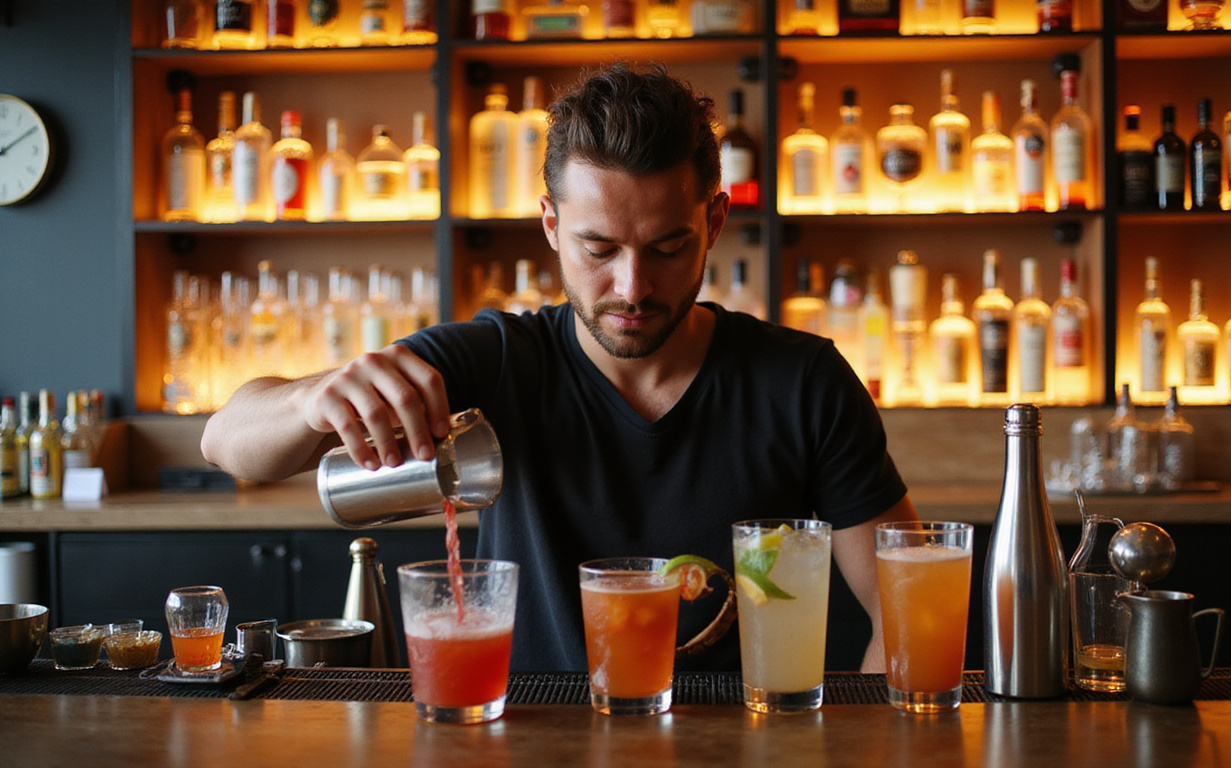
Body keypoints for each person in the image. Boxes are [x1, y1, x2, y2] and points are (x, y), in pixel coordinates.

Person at [201, 62, 917, 673]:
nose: (632, 287)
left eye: (667, 248)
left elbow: (905, 612)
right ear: (550, 226)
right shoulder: (499, 360)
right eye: (598, 249)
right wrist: (312, 398)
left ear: (716, 223)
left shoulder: (803, 382)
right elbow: (227, 441)